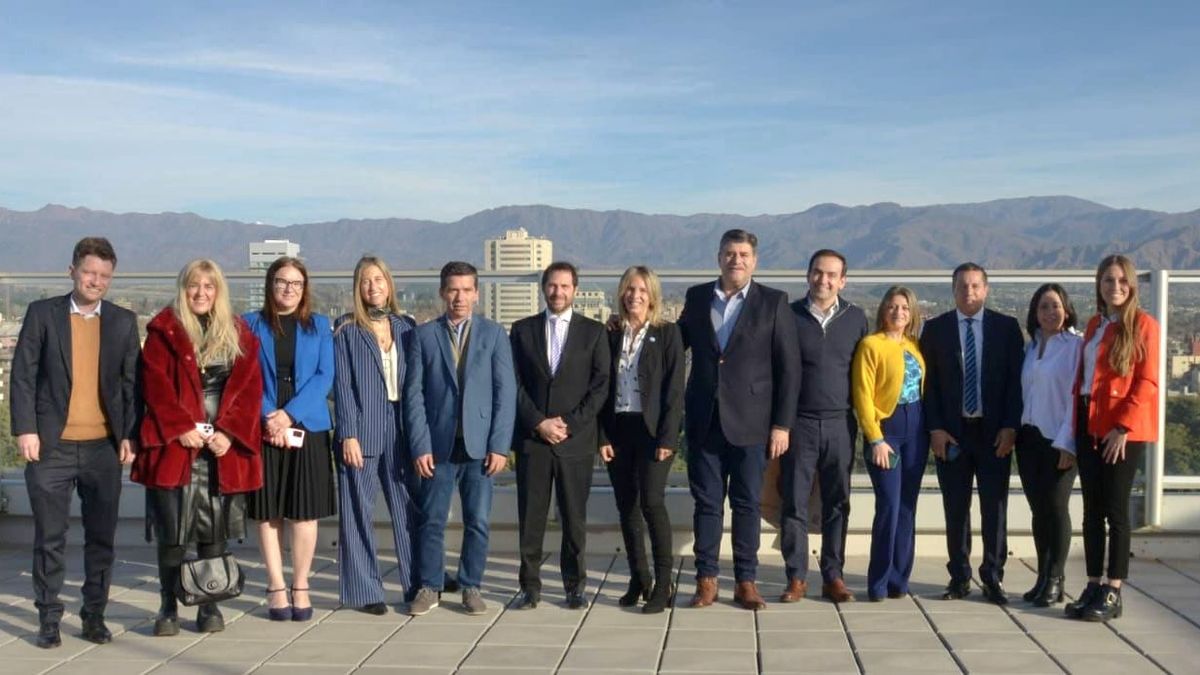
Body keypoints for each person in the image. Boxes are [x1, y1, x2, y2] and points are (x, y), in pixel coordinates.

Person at [10, 237, 140, 648]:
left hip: (104, 447)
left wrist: (130, 435)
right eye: (89, 273)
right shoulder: (42, 314)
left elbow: (132, 385)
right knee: (50, 538)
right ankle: (48, 618)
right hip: (51, 447)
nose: (96, 281)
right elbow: (23, 375)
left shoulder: (123, 321)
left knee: (101, 538)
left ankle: (93, 616)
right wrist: (25, 429)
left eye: (104, 275)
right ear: (72, 272)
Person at [133, 259, 264, 635]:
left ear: (218, 291)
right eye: (194, 285)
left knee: (213, 534)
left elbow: (250, 389)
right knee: (172, 535)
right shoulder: (163, 330)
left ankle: (209, 603)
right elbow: (154, 386)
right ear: (183, 289)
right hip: (177, 449)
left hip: (219, 451)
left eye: (209, 286)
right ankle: (168, 606)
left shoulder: (239, 333)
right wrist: (180, 428)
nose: (201, 293)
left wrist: (229, 433)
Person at [678, 229, 801, 611]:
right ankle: (706, 580)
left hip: (753, 423)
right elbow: (675, 344)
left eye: (744, 254)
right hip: (705, 420)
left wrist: (782, 425)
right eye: (730, 253)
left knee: (747, 504)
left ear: (754, 260)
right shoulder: (697, 297)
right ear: (719, 257)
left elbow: (789, 369)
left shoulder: (774, 302)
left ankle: (746, 581)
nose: (736, 260)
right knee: (707, 504)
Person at [403, 261, 517, 616]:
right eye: (453, 289)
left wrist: (499, 445)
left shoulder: (494, 334)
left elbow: (505, 394)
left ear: (477, 294)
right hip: (437, 446)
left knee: (477, 521)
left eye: (467, 290)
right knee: (432, 519)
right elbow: (414, 395)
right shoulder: (424, 336)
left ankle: (471, 586)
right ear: (442, 292)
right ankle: (430, 586)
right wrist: (420, 444)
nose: (459, 297)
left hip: (480, 447)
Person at [919, 262, 1023, 604]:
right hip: (952, 434)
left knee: (995, 508)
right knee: (955, 507)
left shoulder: (1006, 328)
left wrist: (1010, 426)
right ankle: (959, 576)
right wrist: (935, 428)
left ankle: (993, 576)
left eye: (976, 285)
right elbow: (928, 385)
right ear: (953, 290)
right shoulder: (935, 329)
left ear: (986, 289)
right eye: (962, 286)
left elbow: (1015, 383)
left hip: (994, 434)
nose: (969, 292)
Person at [510, 261, 611, 610]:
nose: (558, 292)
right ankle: (529, 587)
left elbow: (600, 387)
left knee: (574, 519)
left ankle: (574, 586)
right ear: (543, 288)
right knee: (531, 519)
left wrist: (568, 423)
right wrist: (538, 422)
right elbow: (514, 383)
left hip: (575, 441)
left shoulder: (594, 332)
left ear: (575, 290)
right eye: (552, 285)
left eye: (565, 286)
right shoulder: (522, 330)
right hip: (533, 440)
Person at [1065, 255, 1159, 622]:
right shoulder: (1094, 324)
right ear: (1099, 285)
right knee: (1092, 511)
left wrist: (1123, 428)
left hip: (1122, 431)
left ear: (1131, 285)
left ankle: (1114, 589)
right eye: (1108, 280)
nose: (1115, 287)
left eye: (1121, 280)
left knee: (1116, 511)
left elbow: (1147, 382)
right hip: (1090, 425)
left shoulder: (1144, 325)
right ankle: (1093, 584)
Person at [244, 257, 336, 622]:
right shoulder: (249, 324)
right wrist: (271, 417)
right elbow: (245, 376)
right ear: (270, 284)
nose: (289, 289)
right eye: (282, 281)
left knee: (304, 510)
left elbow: (324, 376)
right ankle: (276, 586)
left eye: (296, 283)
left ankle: (301, 584)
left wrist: (289, 415)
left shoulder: (320, 325)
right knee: (268, 511)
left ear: (305, 288)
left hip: (307, 422)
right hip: (264, 422)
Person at [779, 249, 868, 603]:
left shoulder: (856, 318)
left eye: (832, 275)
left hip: (840, 423)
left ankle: (833, 576)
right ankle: (796, 577)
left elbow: (864, 373)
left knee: (837, 503)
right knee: (794, 502)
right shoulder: (788, 316)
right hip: (798, 423)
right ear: (808, 275)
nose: (824, 280)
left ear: (842, 281)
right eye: (818, 272)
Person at [332, 255, 419, 615]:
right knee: (357, 511)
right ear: (358, 287)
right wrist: (348, 433)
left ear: (389, 283)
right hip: (361, 429)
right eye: (366, 281)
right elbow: (343, 386)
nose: (373, 287)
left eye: (379, 279)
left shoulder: (407, 327)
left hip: (401, 427)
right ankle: (365, 591)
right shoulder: (346, 329)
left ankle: (416, 583)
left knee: (407, 506)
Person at [598, 266, 685, 614]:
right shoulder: (610, 333)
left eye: (642, 290)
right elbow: (600, 388)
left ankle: (663, 583)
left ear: (652, 296)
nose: (635, 296)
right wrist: (602, 435)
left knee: (651, 502)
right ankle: (639, 577)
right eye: (630, 289)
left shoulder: (667, 333)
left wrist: (668, 437)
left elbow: (674, 390)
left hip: (654, 433)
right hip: (618, 430)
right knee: (627, 507)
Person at [852, 287, 927, 602]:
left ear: (912, 314)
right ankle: (879, 581)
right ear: (883, 310)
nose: (899, 312)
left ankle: (899, 579)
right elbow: (862, 394)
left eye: (905, 308)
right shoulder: (871, 345)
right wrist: (876, 438)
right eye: (893, 306)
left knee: (907, 507)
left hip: (917, 432)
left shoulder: (913, 345)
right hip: (887, 433)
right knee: (889, 506)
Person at [1017, 284, 1082, 607]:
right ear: (1035, 313)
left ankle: (1056, 578)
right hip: (1029, 438)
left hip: (1059, 439)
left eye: (1055, 305)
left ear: (1066, 310)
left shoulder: (1075, 347)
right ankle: (1043, 576)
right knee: (1039, 510)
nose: (1050, 312)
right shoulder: (1030, 348)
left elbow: (1076, 398)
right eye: (1043, 306)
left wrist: (1068, 443)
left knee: (1056, 509)